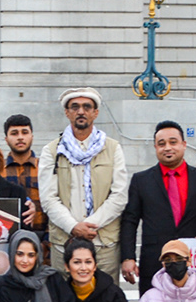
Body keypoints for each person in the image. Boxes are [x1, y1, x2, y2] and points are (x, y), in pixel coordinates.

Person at [119, 120, 196, 296]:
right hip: (154, 263)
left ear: (184, 144)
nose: (167, 148)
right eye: (161, 144)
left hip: (192, 262)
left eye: (173, 142)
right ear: (155, 147)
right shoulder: (141, 181)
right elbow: (129, 221)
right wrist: (128, 257)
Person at [37, 87, 130, 270]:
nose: (81, 111)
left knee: (105, 289)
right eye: (75, 107)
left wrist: (89, 226)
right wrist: (73, 227)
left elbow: (119, 196)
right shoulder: (52, 151)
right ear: (67, 112)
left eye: (87, 107)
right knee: (64, 289)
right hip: (64, 243)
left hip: (103, 244)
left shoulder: (112, 148)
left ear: (95, 113)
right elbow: (48, 199)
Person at [0, 114, 46, 246]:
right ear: (6, 139)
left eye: (24, 132)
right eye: (14, 133)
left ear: (32, 136)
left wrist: (47, 243)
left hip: (41, 237)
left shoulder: (45, 167)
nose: (20, 137)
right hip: (5, 239)